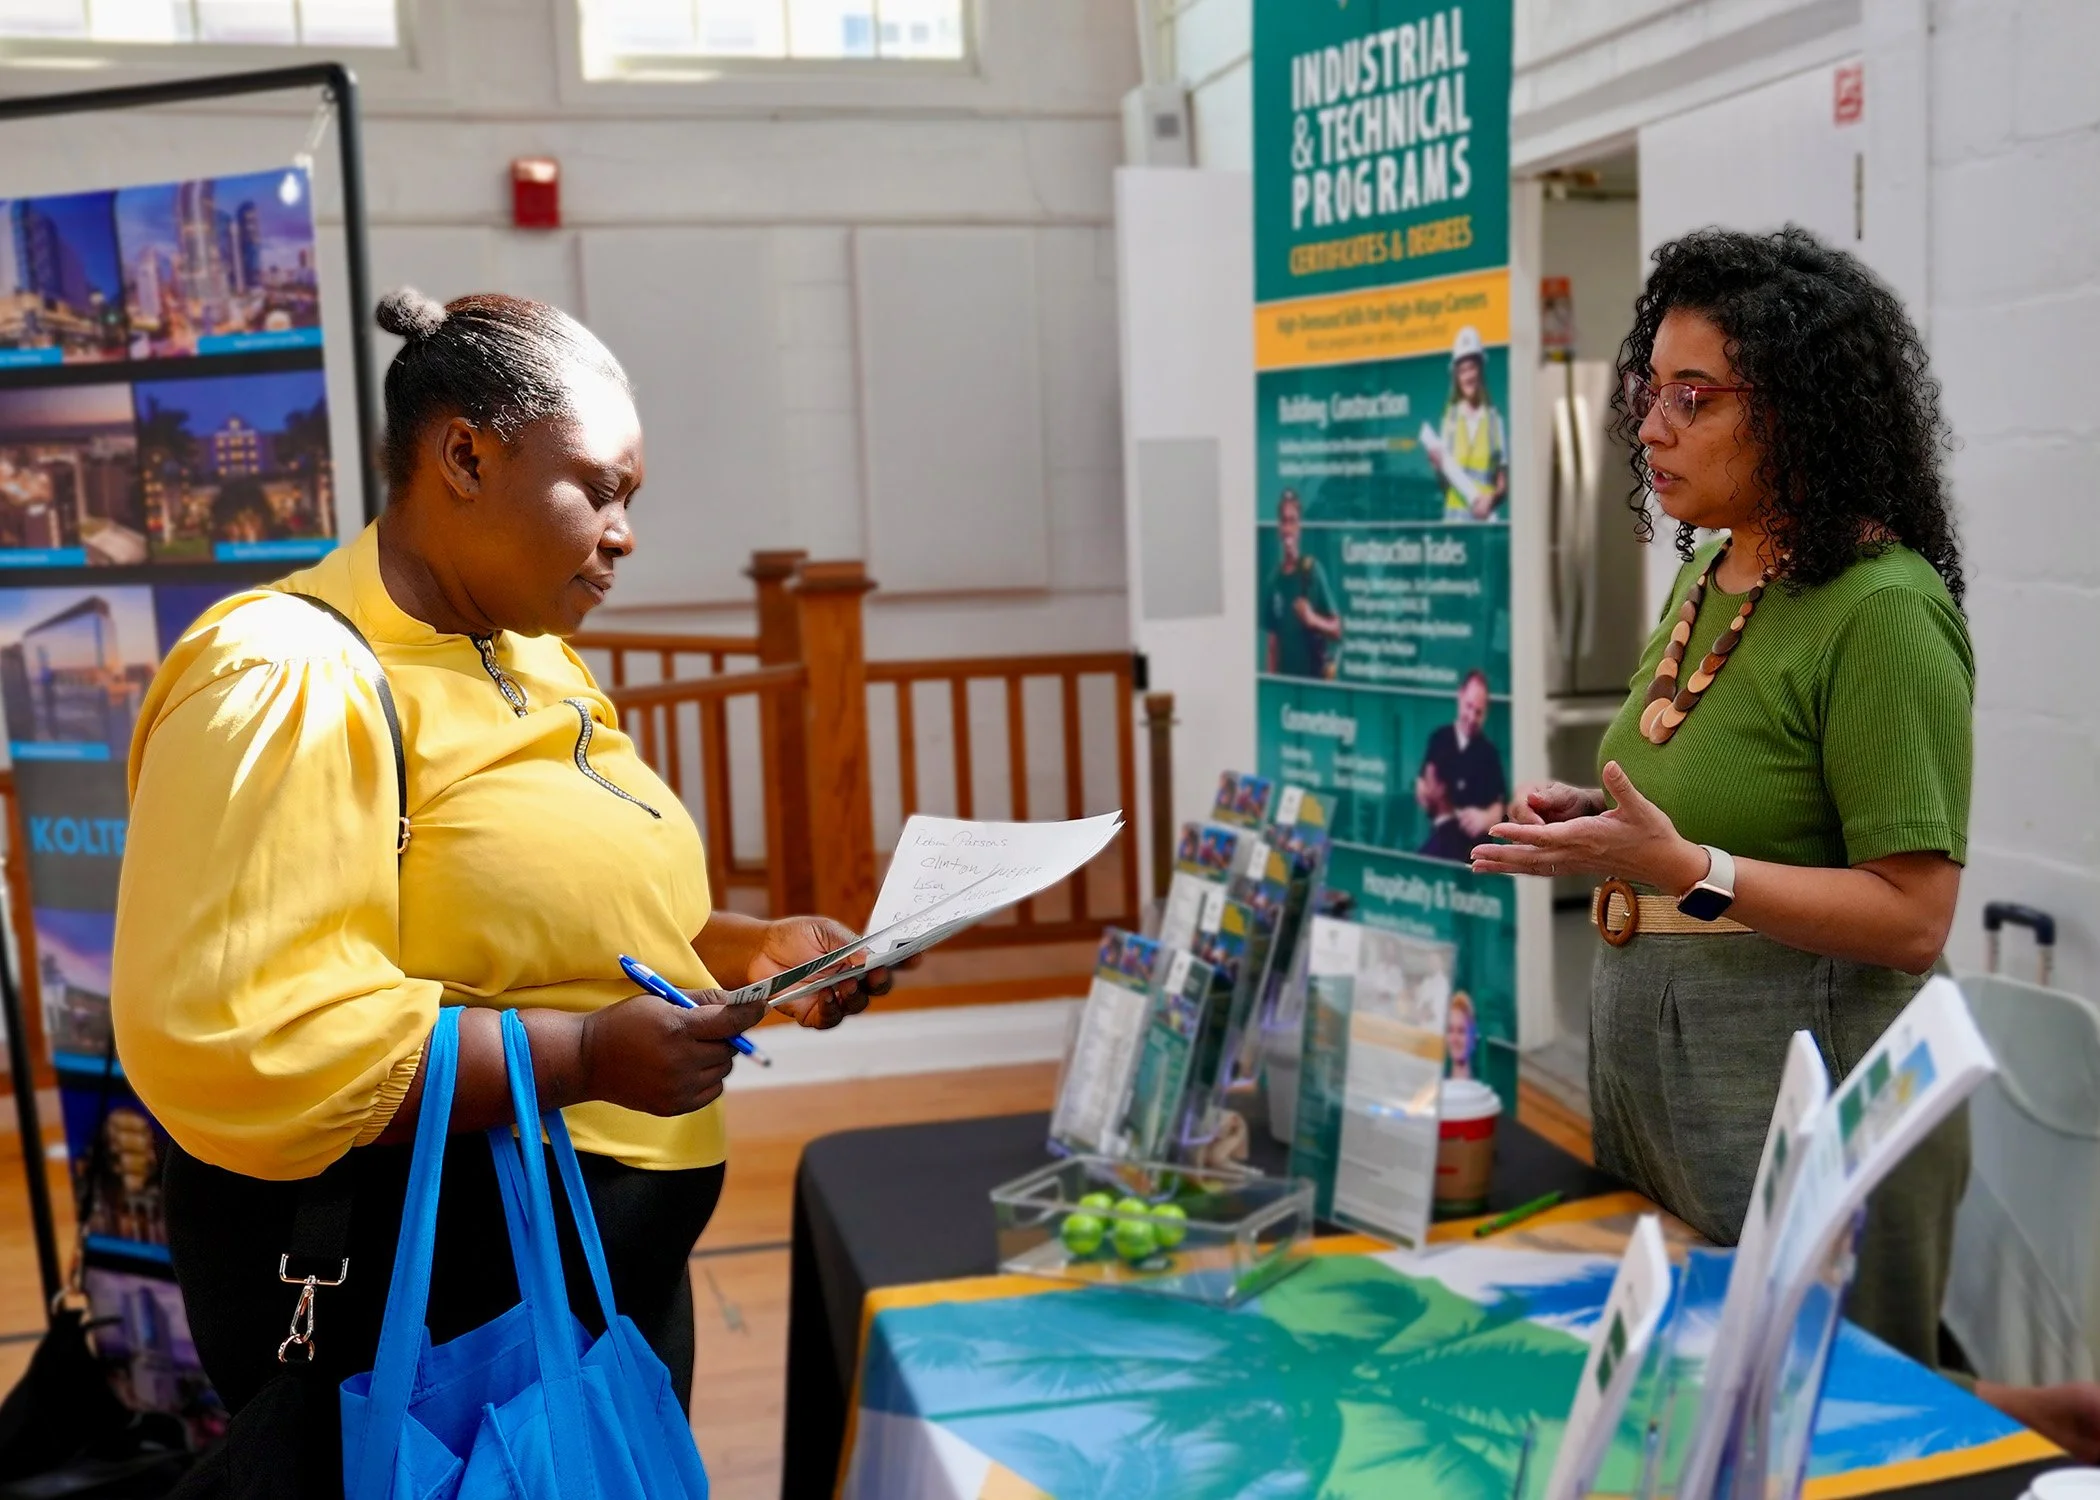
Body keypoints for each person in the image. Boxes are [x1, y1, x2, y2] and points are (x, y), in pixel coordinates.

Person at [110, 288, 890, 1492]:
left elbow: (578, 924)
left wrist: (754, 951)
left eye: (632, 500)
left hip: (595, 1292)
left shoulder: (530, 654)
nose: (623, 536)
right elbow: (254, 1032)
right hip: (432, 1301)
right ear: (465, 457)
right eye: (599, 491)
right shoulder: (284, 674)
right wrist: (581, 1057)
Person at [1469, 226, 1975, 1368]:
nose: (1651, 427)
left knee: (1820, 1413)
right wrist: (1601, 824)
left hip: (1805, 1091)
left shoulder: (1882, 610)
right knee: (1681, 1396)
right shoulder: (1713, 569)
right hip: (1664, 1073)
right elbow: (1707, 797)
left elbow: (1914, 919)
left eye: (1692, 398)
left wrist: (1687, 869)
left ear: (1799, 411)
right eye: (1649, 390)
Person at [1414, 669, 1506, 862]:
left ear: (1486, 713)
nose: (1472, 717)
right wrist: (1424, 793)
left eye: (1478, 712)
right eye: (1469, 707)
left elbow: (1502, 808)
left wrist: (1485, 818)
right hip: (1442, 845)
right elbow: (1422, 782)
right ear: (1460, 697)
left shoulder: (1489, 754)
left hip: (1475, 854)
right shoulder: (1439, 739)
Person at [1261, 489, 1341, 678]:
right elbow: (1273, 644)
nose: (1288, 528)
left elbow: (1337, 629)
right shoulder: (1273, 580)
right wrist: (1272, 685)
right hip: (1285, 685)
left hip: (1312, 684)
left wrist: (1313, 619)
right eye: (1284, 521)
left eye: (1292, 521)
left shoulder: (1312, 571)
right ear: (1279, 527)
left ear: (1299, 527)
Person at [1431, 327, 1507, 520]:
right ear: (1457, 376)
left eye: (1472, 368)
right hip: (1455, 526)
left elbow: (1503, 485)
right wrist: (1438, 469)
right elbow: (1445, 487)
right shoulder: (1448, 421)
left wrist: (1491, 499)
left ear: (1480, 369)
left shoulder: (1495, 421)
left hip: (1484, 525)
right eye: (1463, 371)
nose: (1468, 376)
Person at [1444, 990, 1477, 1080]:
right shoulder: (1436, 1087)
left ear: (1473, 1037)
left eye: (1461, 1031)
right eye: (1450, 1031)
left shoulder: (1481, 1088)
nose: (1454, 1039)